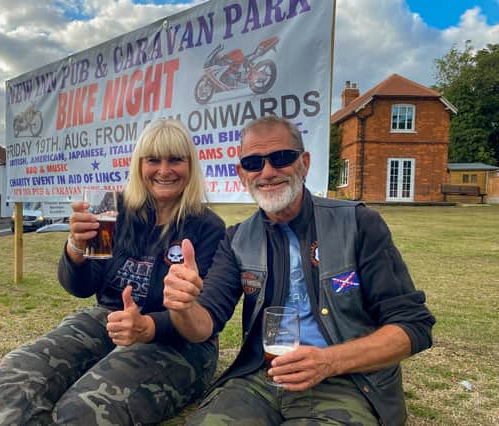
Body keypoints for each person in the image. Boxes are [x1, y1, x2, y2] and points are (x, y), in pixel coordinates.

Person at [163, 116, 436, 425]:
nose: (267, 172)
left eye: (281, 158)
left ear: (304, 162)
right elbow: (204, 324)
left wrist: (328, 361)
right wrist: (182, 307)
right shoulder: (238, 239)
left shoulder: (358, 223)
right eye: (253, 163)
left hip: (346, 382)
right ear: (241, 174)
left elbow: (413, 326)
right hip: (260, 378)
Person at [0, 118, 226, 425]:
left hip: (178, 342)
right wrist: (76, 247)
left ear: (191, 165)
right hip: (108, 319)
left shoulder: (208, 227)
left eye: (175, 160)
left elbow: (204, 317)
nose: (163, 170)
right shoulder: (113, 208)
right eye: (153, 160)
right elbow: (82, 286)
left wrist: (147, 326)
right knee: (20, 370)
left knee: (84, 407)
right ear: (139, 165)